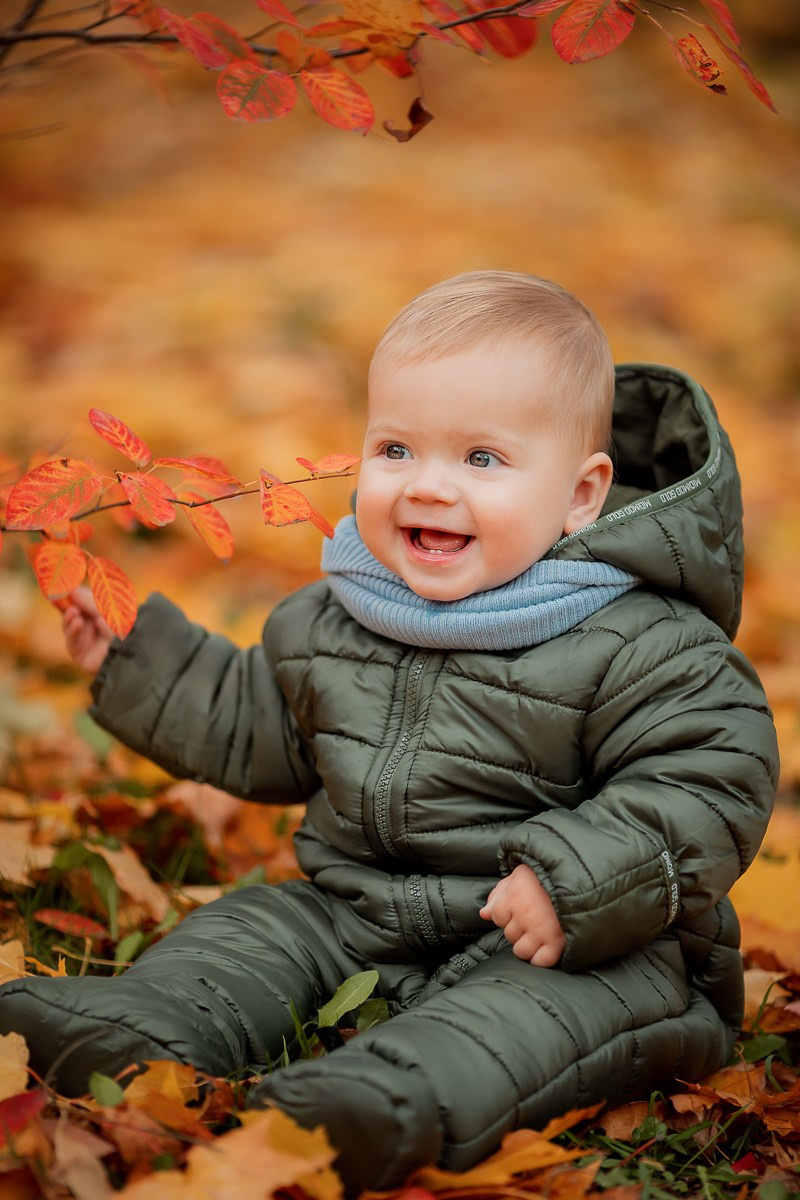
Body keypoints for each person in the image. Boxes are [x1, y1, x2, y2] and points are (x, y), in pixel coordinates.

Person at [0, 271, 778, 1194]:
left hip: (570, 941)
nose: (429, 487)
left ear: (581, 495)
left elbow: (710, 776)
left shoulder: (643, 638)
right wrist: (135, 661)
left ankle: (382, 1098)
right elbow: (261, 723)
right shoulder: (342, 612)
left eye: (482, 460)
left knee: (519, 1025)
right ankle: (143, 1025)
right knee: (250, 931)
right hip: (356, 906)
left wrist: (575, 881)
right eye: (397, 447)